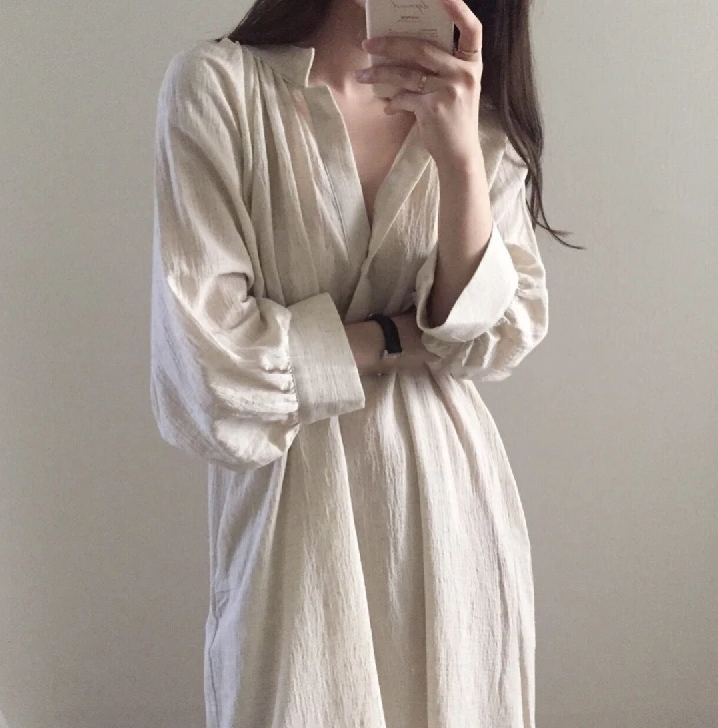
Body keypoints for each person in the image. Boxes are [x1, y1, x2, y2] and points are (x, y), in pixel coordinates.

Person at [150, 0, 571, 726]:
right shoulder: (220, 88)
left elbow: (494, 333)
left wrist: (459, 159)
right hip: (294, 524)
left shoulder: (477, 120)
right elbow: (210, 371)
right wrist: (393, 337)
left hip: (449, 521)